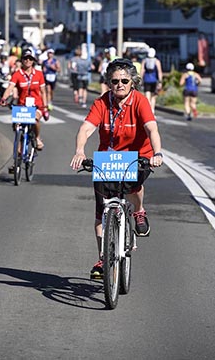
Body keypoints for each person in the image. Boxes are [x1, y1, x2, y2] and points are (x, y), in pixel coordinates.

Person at [70, 58, 163, 279]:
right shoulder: (102, 103)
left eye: (124, 80)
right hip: (108, 159)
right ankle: (103, 258)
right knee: (101, 212)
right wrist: (80, 150)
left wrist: (157, 153)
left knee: (133, 187)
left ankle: (139, 212)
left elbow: (152, 128)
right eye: (114, 81)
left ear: (133, 82)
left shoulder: (140, 102)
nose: (119, 84)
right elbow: (86, 129)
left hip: (139, 156)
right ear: (108, 83)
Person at [0, 48, 48, 150]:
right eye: (25, 58)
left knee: (35, 120)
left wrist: (45, 106)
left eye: (30, 59)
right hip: (22, 105)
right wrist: (4, 98)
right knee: (17, 125)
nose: (28, 61)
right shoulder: (17, 74)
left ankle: (38, 137)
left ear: (33, 60)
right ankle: (18, 156)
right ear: (22, 60)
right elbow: (10, 88)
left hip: (36, 105)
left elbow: (43, 92)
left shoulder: (39, 74)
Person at [140, 47, 163, 115]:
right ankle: (152, 109)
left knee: (147, 96)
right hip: (154, 80)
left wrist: (140, 79)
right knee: (153, 96)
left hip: (146, 80)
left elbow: (142, 71)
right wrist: (160, 81)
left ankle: (148, 109)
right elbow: (159, 72)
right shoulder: (157, 61)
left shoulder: (144, 61)